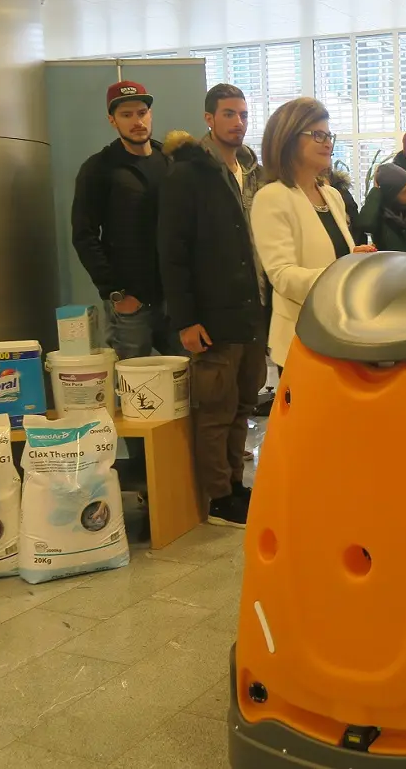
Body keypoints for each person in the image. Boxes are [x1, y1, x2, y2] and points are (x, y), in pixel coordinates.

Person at [158, 83, 267, 528]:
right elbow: (172, 251)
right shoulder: (189, 173)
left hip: (251, 310)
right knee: (216, 409)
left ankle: (236, 485)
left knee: (242, 405)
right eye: (228, 114)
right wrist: (186, 319)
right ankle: (218, 497)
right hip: (213, 313)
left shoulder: (249, 171)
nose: (237, 122)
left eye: (242, 114)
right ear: (209, 118)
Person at [252, 97, 376, 373]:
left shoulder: (331, 194)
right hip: (303, 338)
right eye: (317, 135)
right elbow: (283, 276)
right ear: (287, 139)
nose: (328, 143)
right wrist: (343, 273)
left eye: (328, 135)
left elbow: (333, 255)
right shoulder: (272, 197)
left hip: (342, 332)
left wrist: (355, 258)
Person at [72, 81, 175, 359]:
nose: (137, 121)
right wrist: (115, 293)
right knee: (135, 388)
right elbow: (84, 235)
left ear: (150, 114)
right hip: (132, 301)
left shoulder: (170, 161)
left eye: (142, 113)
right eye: (126, 115)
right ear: (112, 120)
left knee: (190, 381)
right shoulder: (99, 169)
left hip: (175, 299)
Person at [358, 163, 406, 256]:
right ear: (393, 196)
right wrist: (376, 189)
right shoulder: (380, 215)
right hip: (388, 268)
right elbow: (366, 225)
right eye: (405, 192)